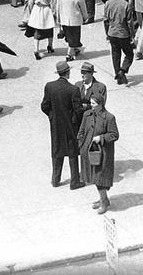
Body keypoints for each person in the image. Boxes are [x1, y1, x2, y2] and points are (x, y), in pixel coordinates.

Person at [77, 79, 120, 214]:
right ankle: (103, 199)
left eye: (94, 104)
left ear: (101, 104)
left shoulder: (109, 117)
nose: (91, 105)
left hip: (103, 154)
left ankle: (104, 202)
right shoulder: (87, 115)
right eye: (91, 103)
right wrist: (81, 144)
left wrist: (101, 138)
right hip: (89, 152)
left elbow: (114, 135)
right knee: (93, 177)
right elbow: (81, 131)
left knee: (100, 178)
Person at [40, 59, 85, 188]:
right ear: (68, 73)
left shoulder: (49, 86)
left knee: (57, 151)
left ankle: (55, 179)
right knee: (72, 152)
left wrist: (52, 116)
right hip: (70, 125)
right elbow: (78, 111)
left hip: (56, 126)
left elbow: (44, 106)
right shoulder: (73, 89)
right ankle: (74, 181)